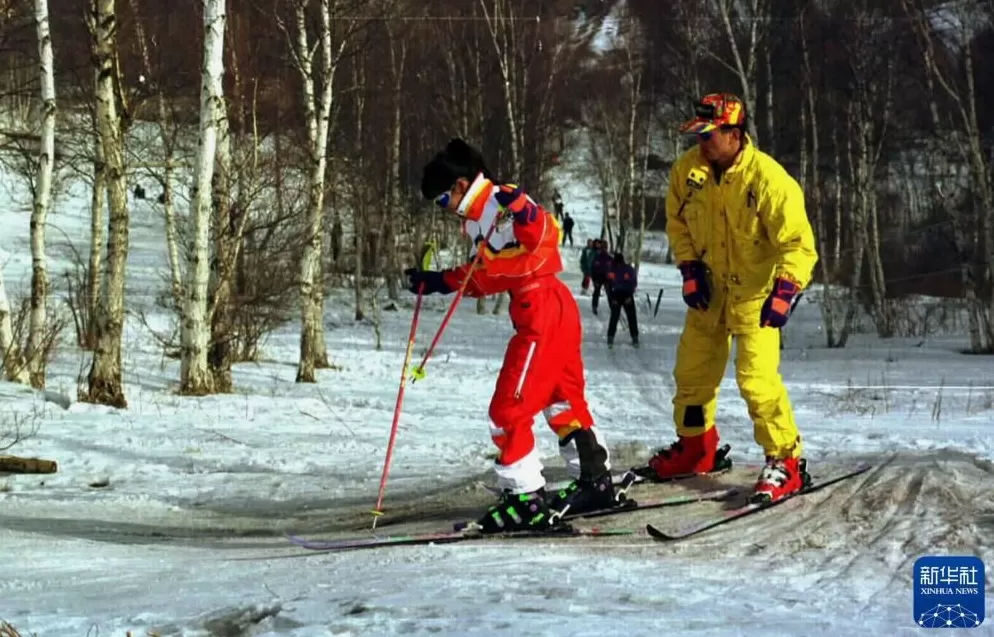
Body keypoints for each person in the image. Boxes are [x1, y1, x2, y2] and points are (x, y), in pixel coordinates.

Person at [409, 138, 615, 533]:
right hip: (547, 307)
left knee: (508, 410)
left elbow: (541, 238)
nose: (443, 210)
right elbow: (491, 272)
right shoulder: (477, 217)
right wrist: (439, 281)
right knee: (561, 400)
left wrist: (522, 209)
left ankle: (525, 496)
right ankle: (594, 477)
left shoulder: (498, 201)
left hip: (542, 311)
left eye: (440, 201)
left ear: (459, 185)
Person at [646, 93, 818, 504]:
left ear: (734, 134)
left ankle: (786, 461)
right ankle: (696, 448)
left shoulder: (768, 181)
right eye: (698, 135)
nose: (701, 143)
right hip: (709, 294)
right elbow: (676, 222)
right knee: (692, 374)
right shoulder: (688, 172)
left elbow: (798, 244)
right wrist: (689, 268)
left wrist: (786, 288)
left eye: (709, 135)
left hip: (755, 297)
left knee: (757, 381)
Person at [605, 252, 639, 349]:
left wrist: (629, 296)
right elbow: (609, 284)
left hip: (626, 295)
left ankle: (634, 337)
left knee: (630, 316)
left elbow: (633, 283)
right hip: (618, 295)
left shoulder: (627, 269)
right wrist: (612, 298)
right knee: (615, 317)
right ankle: (611, 337)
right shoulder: (613, 269)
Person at [589, 242, 612, 315]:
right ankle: (594, 306)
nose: (604, 249)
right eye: (603, 248)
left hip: (607, 278)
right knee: (597, 292)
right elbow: (593, 269)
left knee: (609, 293)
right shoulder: (597, 257)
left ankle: (613, 307)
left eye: (605, 248)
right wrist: (594, 279)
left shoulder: (610, 258)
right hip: (598, 277)